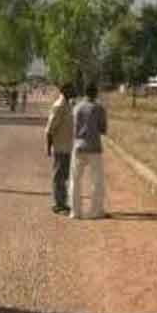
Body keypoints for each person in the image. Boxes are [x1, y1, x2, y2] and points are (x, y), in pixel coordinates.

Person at [69, 82, 108, 220]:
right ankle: (95, 211)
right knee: (97, 181)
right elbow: (103, 129)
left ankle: (75, 211)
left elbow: (73, 128)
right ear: (95, 93)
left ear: (85, 93)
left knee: (75, 180)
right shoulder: (99, 108)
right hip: (94, 147)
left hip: (78, 146)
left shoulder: (77, 107)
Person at [46, 84, 75, 214]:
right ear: (65, 91)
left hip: (68, 146)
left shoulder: (68, 105)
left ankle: (63, 202)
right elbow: (50, 129)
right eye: (71, 89)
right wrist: (48, 147)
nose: (74, 90)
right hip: (60, 147)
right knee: (59, 177)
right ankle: (59, 203)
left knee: (64, 176)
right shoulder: (59, 106)